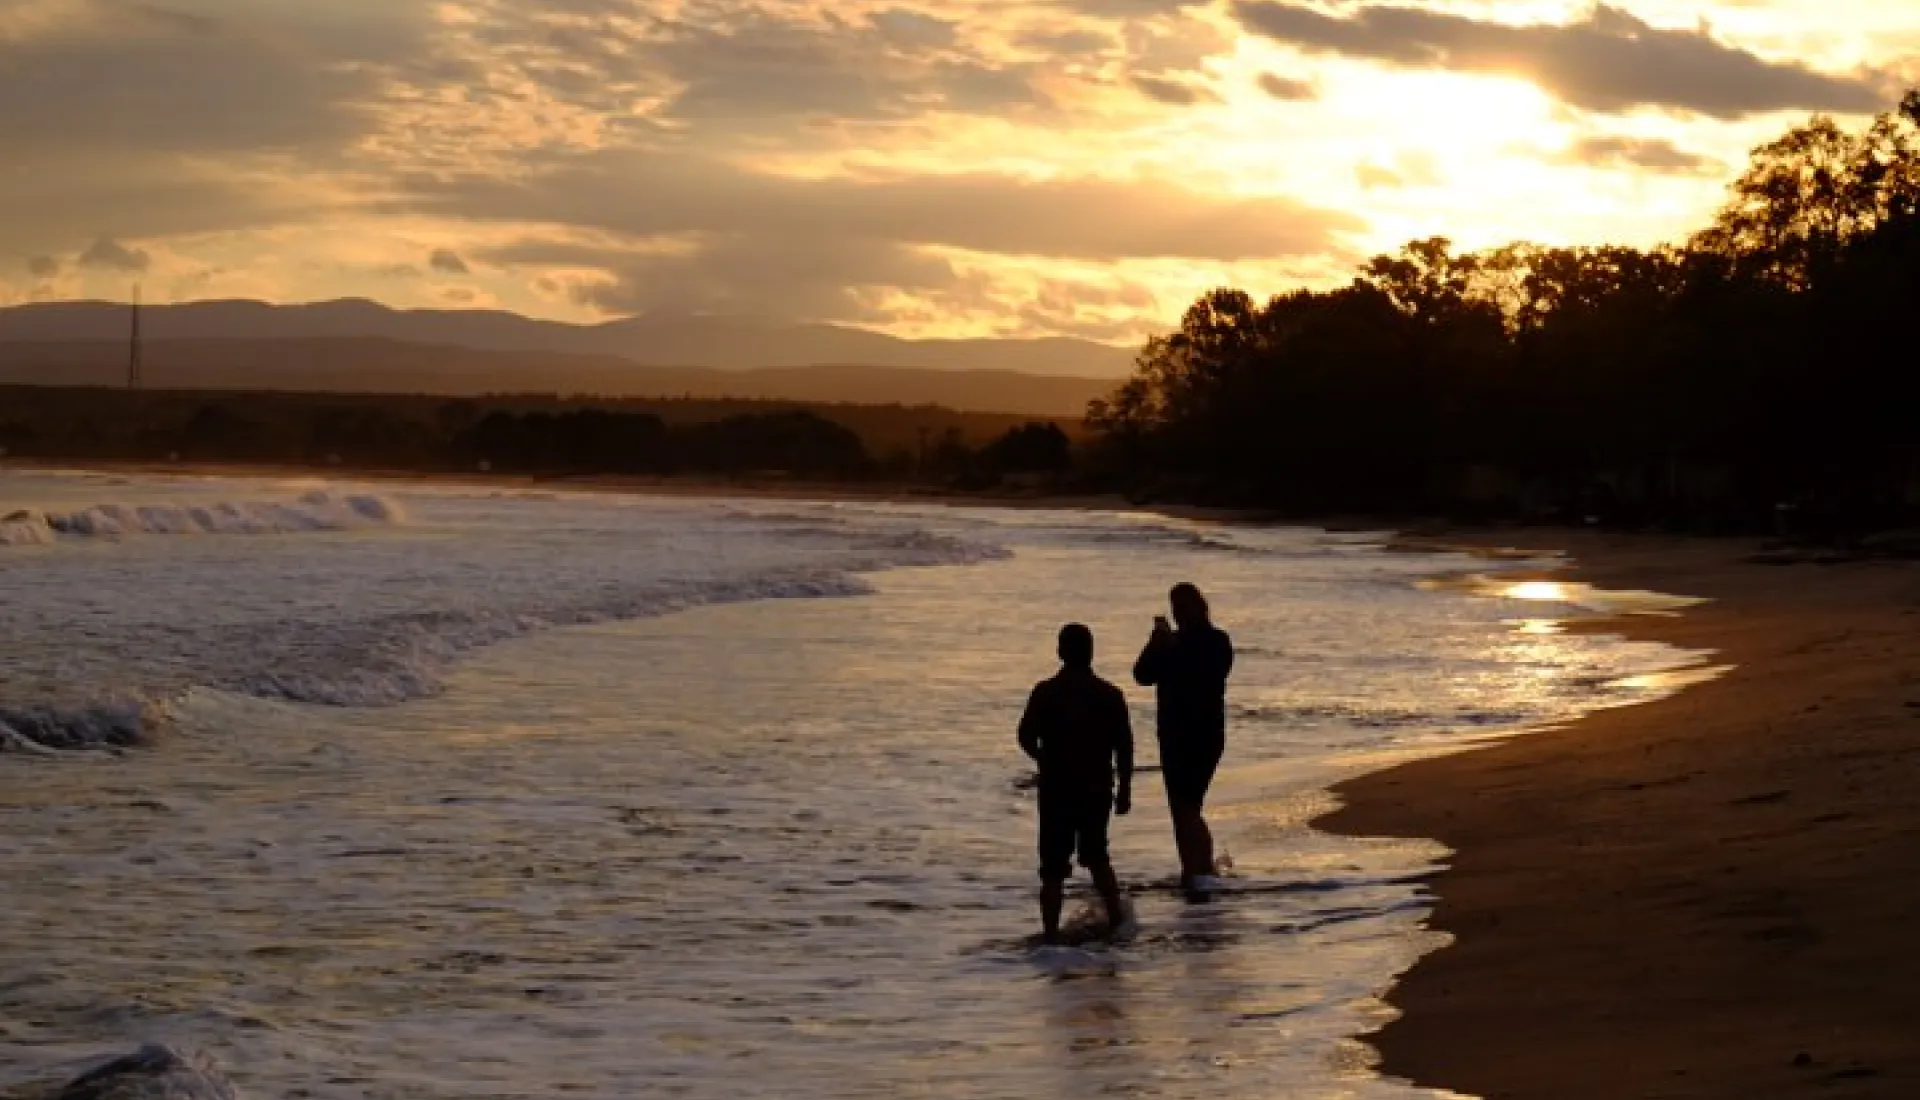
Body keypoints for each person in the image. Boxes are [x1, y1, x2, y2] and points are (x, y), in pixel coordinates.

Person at [1018, 623, 1134, 943]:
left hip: (1056, 787)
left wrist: (1043, 758)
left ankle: (1050, 934)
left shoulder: (1046, 692)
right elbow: (1124, 747)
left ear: (1060, 652)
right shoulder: (1109, 695)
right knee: (1097, 857)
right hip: (1096, 787)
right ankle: (1118, 923)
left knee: (1052, 868)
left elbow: (1025, 736)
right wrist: (1125, 789)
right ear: (1091, 652)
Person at [1133, 582, 1233, 893]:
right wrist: (1155, 644)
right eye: (1175, 608)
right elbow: (1142, 675)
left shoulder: (1216, 641)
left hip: (1203, 732)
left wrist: (1170, 647)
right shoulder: (1171, 643)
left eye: (1183, 608)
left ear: (1199, 607)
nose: (1179, 614)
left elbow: (1207, 675)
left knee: (1186, 806)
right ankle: (1198, 868)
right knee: (1185, 807)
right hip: (1173, 734)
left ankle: (1196, 871)